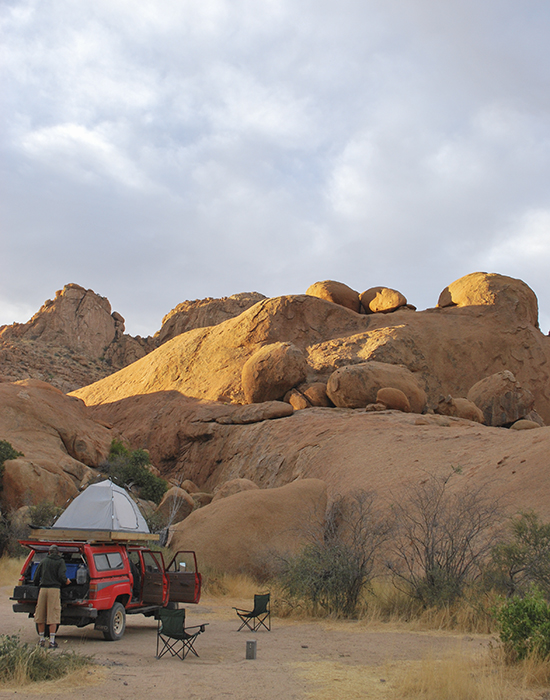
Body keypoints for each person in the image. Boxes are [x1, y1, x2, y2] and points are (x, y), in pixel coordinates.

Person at [33, 544, 70, 648]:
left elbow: (36, 576)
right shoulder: (60, 562)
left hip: (43, 589)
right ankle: (52, 641)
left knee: (40, 614)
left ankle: (41, 640)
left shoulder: (43, 561)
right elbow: (62, 576)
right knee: (53, 615)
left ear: (48, 552)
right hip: (54, 590)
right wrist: (66, 582)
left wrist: (37, 585)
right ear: (58, 553)